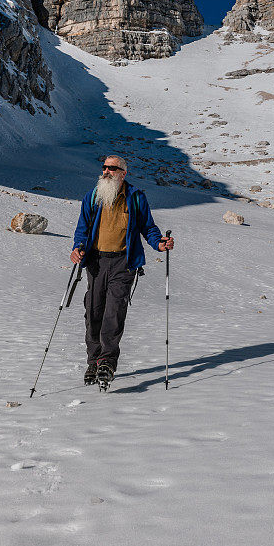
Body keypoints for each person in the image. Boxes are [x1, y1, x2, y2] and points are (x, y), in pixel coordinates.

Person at [70, 155, 174, 388]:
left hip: (123, 263)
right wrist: (77, 248)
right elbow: (82, 229)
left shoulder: (135, 198)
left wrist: (159, 243)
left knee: (114, 311)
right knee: (93, 312)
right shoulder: (94, 196)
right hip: (96, 261)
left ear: (123, 173)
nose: (106, 172)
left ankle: (107, 360)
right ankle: (93, 360)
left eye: (112, 168)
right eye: (104, 167)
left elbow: (148, 227)